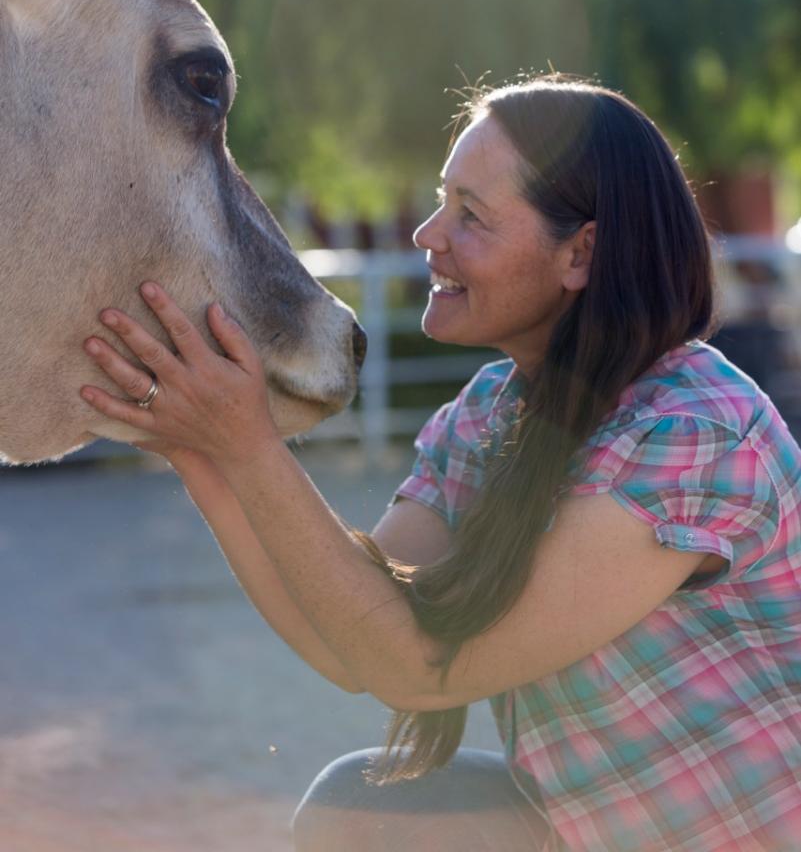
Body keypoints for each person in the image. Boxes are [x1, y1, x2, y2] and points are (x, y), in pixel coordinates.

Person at [79, 75, 801, 851]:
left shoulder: (691, 433)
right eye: (440, 199)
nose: (427, 234)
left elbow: (418, 669)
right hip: (599, 830)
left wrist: (252, 449)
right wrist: (201, 451)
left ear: (580, 253)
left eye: (471, 216)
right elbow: (348, 639)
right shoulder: (493, 412)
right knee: (359, 808)